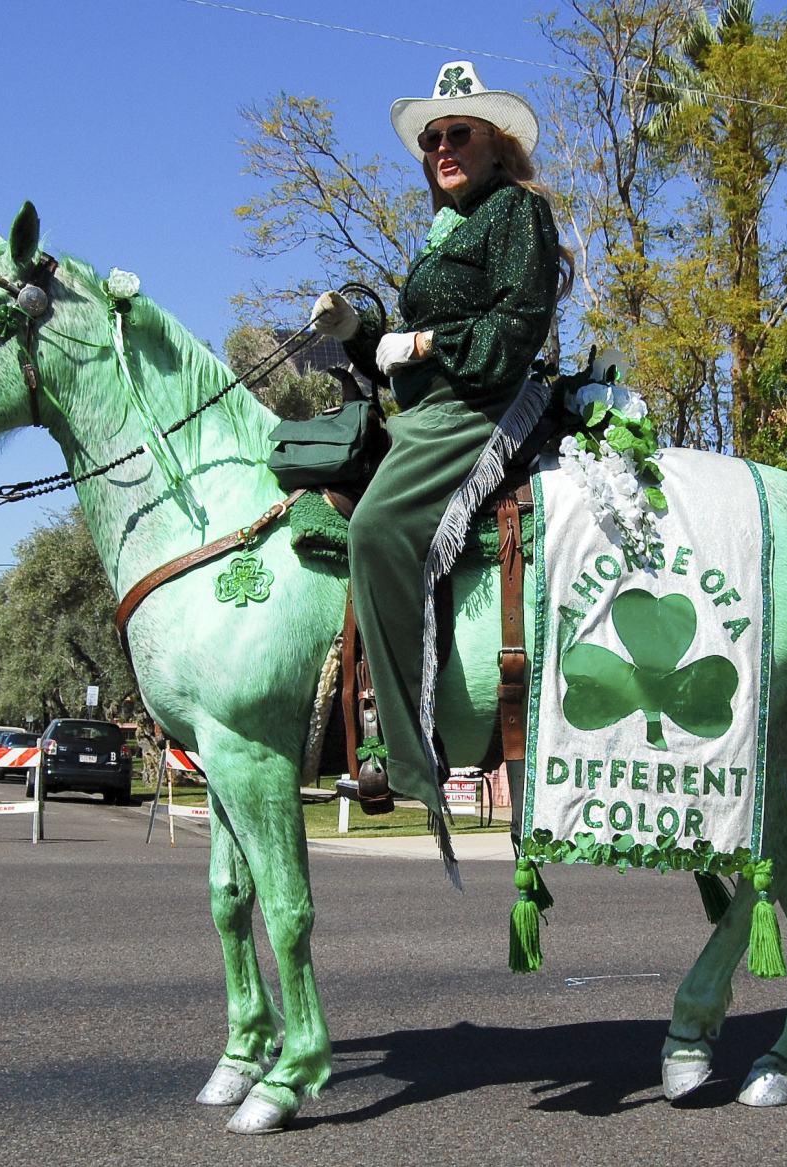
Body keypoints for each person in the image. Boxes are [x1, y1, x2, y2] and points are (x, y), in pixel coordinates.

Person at [310, 62, 571, 818]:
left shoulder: (516, 210)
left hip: (482, 402)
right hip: (429, 405)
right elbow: (403, 358)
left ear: (497, 144)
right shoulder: (446, 229)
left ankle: (408, 748)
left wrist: (422, 344)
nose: (443, 148)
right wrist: (359, 334)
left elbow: (514, 330)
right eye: (432, 139)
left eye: (459, 133)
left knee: (379, 526)